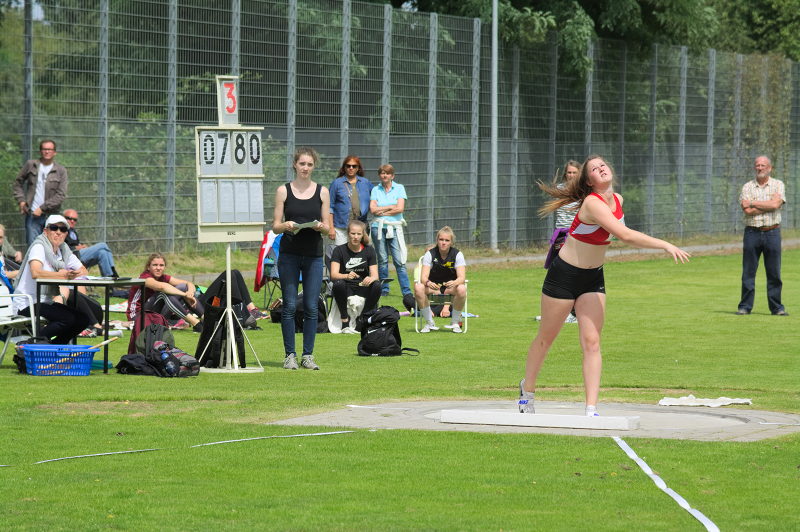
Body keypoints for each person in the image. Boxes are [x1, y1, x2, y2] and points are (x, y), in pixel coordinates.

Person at [519, 155, 690, 417]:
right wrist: (665, 244)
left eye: (603, 165)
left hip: (593, 278)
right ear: (589, 181)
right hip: (564, 276)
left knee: (592, 341)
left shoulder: (618, 200)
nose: (601, 168)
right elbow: (625, 235)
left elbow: (618, 233)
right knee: (546, 338)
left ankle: (591, 409)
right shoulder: (591, 203)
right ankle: (527, 393)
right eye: (595, 169)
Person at [273, 146, 330, 370]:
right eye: (302, 164)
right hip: (289, 254)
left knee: (310, 306)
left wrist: (321, 227)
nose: (305, 168)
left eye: (309, 164)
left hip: (314, 255)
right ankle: (290, 355)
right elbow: (276, 226)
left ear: (313, 167)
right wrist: (285, 225)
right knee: (288, 305)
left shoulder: (322, 192)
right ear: (295, 165)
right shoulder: (283, 191)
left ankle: (308, 355)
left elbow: (328, 228)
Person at [11, 215, 94, 344]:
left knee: (83, 319)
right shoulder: (39, 247)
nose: (58, 232)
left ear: (66, 233)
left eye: (63, 229)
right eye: (54, 228)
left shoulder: (63, 250)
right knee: (68, 319)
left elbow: (83, 270)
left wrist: (73, 273)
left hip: (46, 301)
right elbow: (36, 272)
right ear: (46, 231)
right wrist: (63, 275)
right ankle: (32, 343)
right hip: (26, 303)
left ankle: (54, 347)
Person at [736, 156, 787, 316]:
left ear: (769, 168)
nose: (760, 168)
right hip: (752, 232)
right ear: (754, 168)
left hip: (772, 232)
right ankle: (745, 306)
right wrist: (768, 205)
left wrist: (753, 202)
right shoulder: (747, 187)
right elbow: (747, 210)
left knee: (774, 272)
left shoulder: (778, 184)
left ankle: (776, 308)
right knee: (748, 272)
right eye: (757, 165)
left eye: (763, 165)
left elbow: (775, 204)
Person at [127, 253, 203, 331]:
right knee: (163, 293)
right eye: (155, 265)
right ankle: (196, 323)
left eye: (161, 265)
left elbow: (188, 283)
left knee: (183, 286)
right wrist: (184, 294)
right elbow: (162, 287)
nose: (158, 268)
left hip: (153, 313)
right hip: (137, 316)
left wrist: (189, 293)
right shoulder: (145, 277)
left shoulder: (163, 277)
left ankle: (206, 318)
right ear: (148, 267)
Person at [13, 140, 69, 246]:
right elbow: (17, 183)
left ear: (55, 152)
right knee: (34, 248)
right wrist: (21, 201)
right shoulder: (31, 165)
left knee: (52, 248)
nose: (47, 151)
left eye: (50, 149)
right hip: (32, 215)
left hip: (52, 217)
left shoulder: (61, 170)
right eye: (44, 149)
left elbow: (61, 195)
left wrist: (42, 208)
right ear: (40, 151)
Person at [329, 220, 380, 333]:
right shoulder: (339, 250)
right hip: (346, 287)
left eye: (359, 234)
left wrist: (370, 278)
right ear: (348, 234)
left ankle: (362, 319)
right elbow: (333, 275)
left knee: (377, 285)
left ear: (363, 235)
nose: (356, 237)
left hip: (363, 286)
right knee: (338, 284)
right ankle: (345, 320)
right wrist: (346, 275)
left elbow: (375, 275)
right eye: (353, 233)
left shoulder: (369, 250)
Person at [414, 226, 467, 334]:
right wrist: (429, 283)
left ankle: (455, 322)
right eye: (441, 239)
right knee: (418, 287)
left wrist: (455, 282)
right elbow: (423, 278)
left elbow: (462, 278)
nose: (443, 243)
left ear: (451, 242)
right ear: (437, 240)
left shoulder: (457, 254)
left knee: (462, 288)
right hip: (434, 289)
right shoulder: (430, 254)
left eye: (447, 240)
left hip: (450, 289)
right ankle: (429, 322)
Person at [370, 164, 411, 298]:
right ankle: (384, 289)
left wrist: (382, 209)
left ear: (392, 176)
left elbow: (400, 209)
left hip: (394, 227)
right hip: (378, 227)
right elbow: (373, 210)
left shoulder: (399, 188)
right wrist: (390, 207)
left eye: (387, 173)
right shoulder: (376, 189)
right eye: (382, 173)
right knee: (382, 259)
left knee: (399, 261)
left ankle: (406, 291)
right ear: (379, 175)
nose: (385, 175)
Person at [554, 160, 582, 324]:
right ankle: (557, 312)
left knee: (573, 274)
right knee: (557, 273)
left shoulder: (584, 190)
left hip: (575, 235)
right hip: (560, 234)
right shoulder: (559, 189)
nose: (571, 175)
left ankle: (575, 313)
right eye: (569, 172)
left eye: (574, 172)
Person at [328, 155, 373, 245]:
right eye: (348, 166)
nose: (351, 168)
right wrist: (331, 228)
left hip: (361, 227)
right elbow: (330, 207)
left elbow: (376, 199)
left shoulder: (365, 182)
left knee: (360, 256)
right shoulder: (336, 183)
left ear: (358, 168)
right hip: (341, 228)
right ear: (344, 168)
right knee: (340, 255)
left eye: (354, 166)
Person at [62, 208, 119, 278]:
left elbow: (75, 243)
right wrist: (75, 247)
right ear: (63, 218)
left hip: (79, 254)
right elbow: (60, 247)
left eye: (75, 220)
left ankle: (109, 280)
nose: (72, 221)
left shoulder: (72, 231)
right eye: (69, 218)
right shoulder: (60, 230)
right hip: (73, 255)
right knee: (103, 245)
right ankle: (113, 270)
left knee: (102, 253)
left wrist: (81, 246)